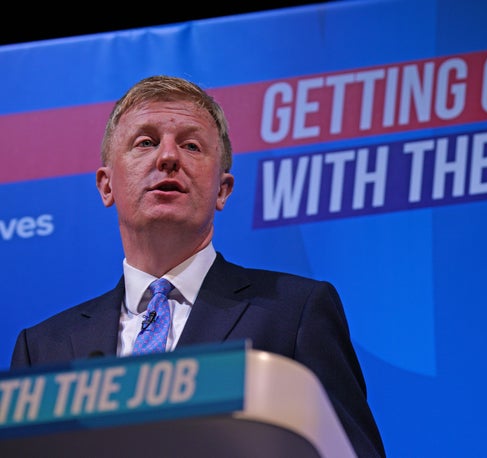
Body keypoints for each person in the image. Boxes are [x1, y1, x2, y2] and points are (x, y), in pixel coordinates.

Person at [10, 75, 385, 457]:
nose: (168, 157)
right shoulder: (43, 349)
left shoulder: (294, 313)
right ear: (106, 186)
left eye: (191, 145)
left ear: (222, 189)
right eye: (146, 142)